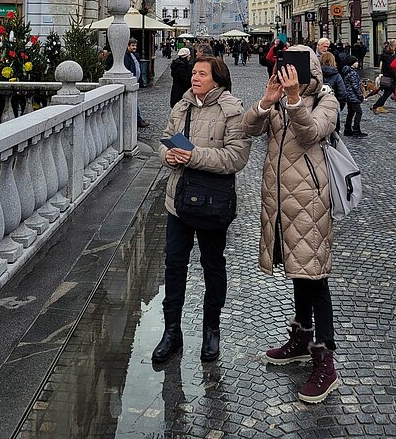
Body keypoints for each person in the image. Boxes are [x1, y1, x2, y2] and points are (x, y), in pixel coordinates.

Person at [242, 45, 340, 405]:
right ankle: (300, 338)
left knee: (315, 276)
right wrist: (267, 100)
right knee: (298, 271)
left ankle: (325, 362)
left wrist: (296, 100)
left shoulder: (325, 101)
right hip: (279, 200)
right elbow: (247, 127)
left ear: (311, 70)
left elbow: (312, 134)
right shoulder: (279, 100)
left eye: (297, 68)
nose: (289, 74)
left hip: (311, 201)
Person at [152, 56, 251, 366]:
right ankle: (172, 332)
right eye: (193, 72)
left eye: (202, 73)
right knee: (174, 264)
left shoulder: (232, 110)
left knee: (212, 265)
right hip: (178, 200)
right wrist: (167, 156)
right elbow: (164, 142)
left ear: (217, 79)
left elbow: (235, 158)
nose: (195, 77)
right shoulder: (182, 105)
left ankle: (212, 329)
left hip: (212, 203)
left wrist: (191, 156)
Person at [124, 38, 150, 128]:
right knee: (135, 102)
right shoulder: (126, 56)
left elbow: (137, 66)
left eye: (135, 45)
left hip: (136, 81)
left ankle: (138, 119)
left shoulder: (136, 55)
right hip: (131, 81)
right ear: (128, 46)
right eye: (132, 45)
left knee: (136, 101)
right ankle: (138, 120)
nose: (134, 47)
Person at [319, 52, 347, 132]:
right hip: (332, 106)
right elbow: (342, 93)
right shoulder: (336, 75)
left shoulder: (315, 74)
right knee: (334, 133)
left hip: (317, 107)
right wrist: (338, 106)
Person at [341, 56, 367, 137]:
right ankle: (356, 129)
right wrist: (360, 96)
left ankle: (347, 129)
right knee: (359, 112)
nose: (357, 63)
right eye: (356, 62)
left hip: (348, 96)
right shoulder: (353, 73)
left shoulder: (346, 71)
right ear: (352, 63)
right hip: (353, 96)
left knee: (351, 113)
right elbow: (355, 87)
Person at [371, 39, 396, 114]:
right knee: (387, 93)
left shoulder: (387, 54)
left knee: (386, 93)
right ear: (392, 46)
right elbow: (390, 67)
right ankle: (376, 106)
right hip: (390, 77)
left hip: (387, 76)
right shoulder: (390, 55)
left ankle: (377, 106)